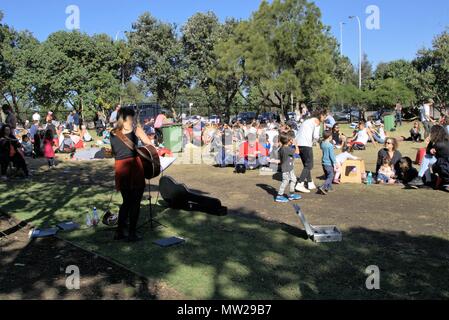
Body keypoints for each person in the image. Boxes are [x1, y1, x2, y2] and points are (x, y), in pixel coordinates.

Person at [110, 107, 153, 242]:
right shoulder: (136, 131)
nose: (134, 119)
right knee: (135, 203)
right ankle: (132, 234)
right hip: (133, 167)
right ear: (129, 118)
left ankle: (119, 232)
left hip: (120, 167)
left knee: (126, 202)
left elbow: (114, 151)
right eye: (133, 117)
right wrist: (139, 132)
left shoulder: (113, 133)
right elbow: (149, 144)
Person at [295, 110, 327, 193]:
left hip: (298, 144)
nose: (325, 118)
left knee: (306, 165)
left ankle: (310, 182)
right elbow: (316, 136)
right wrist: (322, 140)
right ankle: (300, 184)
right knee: (309, 165)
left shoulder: (307, 120)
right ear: (320, 115)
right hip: (306, 144)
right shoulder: (317, 122)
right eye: (324, 116)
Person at [275, 134, 302, 203]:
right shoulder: (287, 149)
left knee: (293, 179)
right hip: (287, 168)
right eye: (290, 140)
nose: (291, 141)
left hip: (289, 167)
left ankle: (291, 194)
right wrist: (296, 144)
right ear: (288, 141)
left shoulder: (282, 148)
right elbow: (297, 152)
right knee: (285, 181)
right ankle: (279, 195)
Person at [317, 131, 337, 195]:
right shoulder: (330, 145)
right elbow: (332, 155)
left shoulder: (322, 144)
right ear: (330, 137)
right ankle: (323, 187)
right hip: (328, 163)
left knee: (328, 176)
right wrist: (335, 163)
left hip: (323, 163)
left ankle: (329, 188)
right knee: (331, 176)